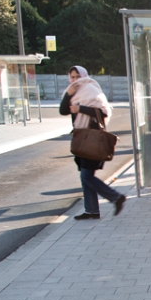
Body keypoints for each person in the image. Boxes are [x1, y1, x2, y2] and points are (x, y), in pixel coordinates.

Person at [60, 66, 126, 220]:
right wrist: (68, 95)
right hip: (81, 138)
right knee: (85, 176)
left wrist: (80, 109)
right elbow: (63, 110)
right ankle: (91, 211)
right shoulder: (73, 91)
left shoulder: (91, 89)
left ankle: (116, 197)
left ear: (84, 75)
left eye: (77, 76)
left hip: (92, 139)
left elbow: (103, 112)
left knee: (86, 176)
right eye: (72, 77)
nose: (75, 80)